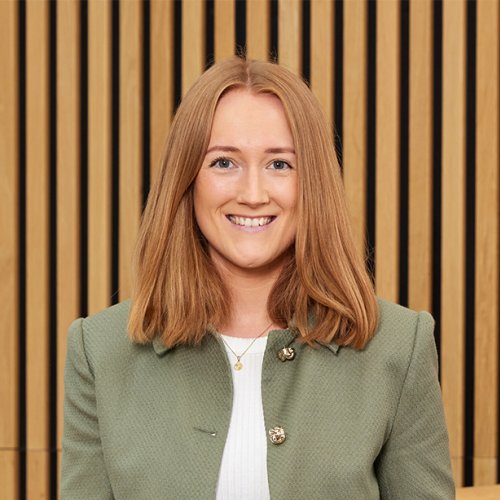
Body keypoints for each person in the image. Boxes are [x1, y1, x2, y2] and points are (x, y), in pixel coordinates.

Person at [61, 58, 454, 499]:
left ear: (313, 184)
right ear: (187, 181)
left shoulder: (398, 347)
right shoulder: (99, 351)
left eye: (279, 165)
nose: (252, 194)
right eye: (224, 162)